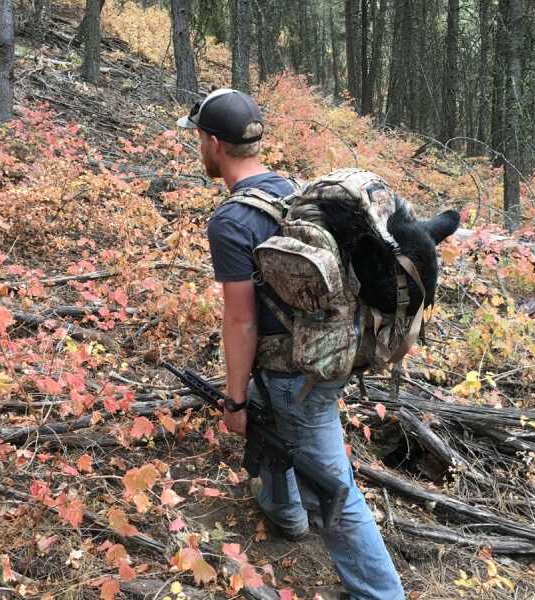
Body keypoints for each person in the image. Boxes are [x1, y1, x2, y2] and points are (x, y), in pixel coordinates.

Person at [177, 89, 405, 600]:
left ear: (213, 143)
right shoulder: (297, 191)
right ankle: (284, 514)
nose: (199, 148)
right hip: (330, 353)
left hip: (295, 372)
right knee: (270, 423)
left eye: (198, 139)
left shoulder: (232, 221)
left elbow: (240, 322)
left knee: (334, 490)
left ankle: (381, 594)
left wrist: (232, 400)